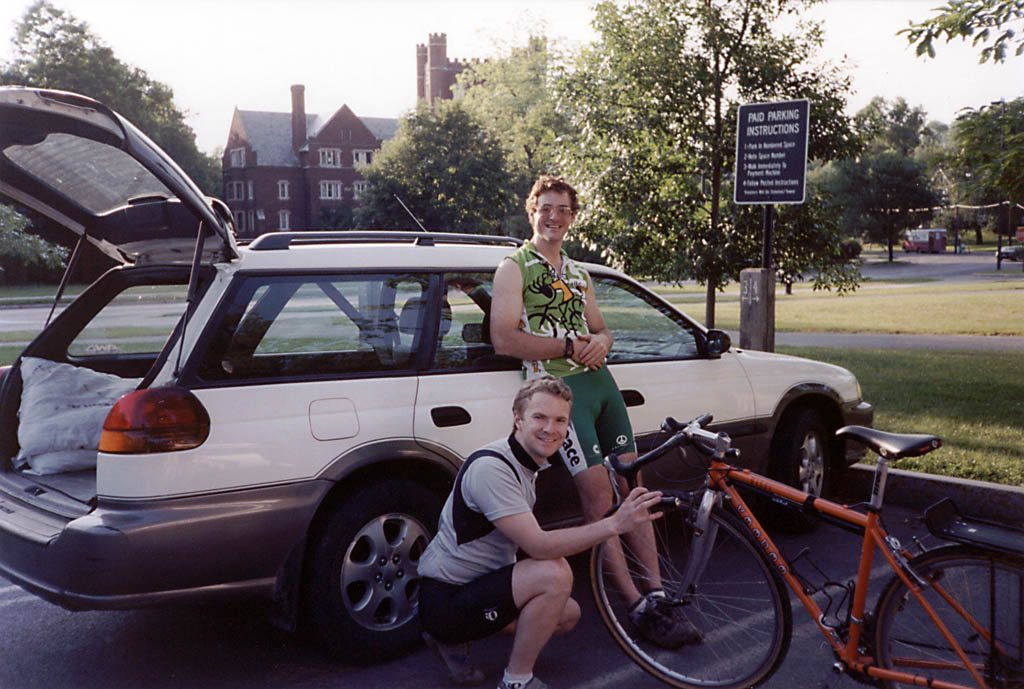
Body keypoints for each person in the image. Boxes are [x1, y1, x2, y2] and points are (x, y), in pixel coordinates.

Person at [489, 175, 700, 649]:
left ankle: (659, 592)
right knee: (599, 498)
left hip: (601, 384)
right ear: (531, 212)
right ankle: (634, 604)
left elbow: (602, 329)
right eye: (545, 208)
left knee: (633, 485)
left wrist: (600, 342)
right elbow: (503, 338)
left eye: (563, 209)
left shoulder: (578, 271)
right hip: (559, 391)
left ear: (573, 217)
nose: (554, 217)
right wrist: (568, 344)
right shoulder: (514, 267)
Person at [417, 377, 665, 689]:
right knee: (554, 574)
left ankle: (455, 640)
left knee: (567, 613)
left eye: (560, 420)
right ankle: (515, 680)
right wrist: (614, 524)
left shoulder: (525, 461)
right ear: (517, 419)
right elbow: (539, 546)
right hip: (446, 597)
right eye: (539, 417)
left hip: (474, 587)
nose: (551, 429)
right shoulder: (492, 468)